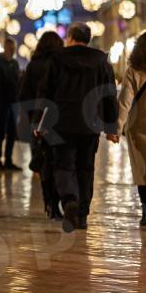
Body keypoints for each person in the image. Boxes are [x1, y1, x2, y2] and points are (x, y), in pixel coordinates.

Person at [39, 23, 118, 233]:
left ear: (71, 38)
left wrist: (40, 121)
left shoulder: (57, 59)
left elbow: (45, 92)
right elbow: (109, 94)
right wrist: (111, 126)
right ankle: (82, 215)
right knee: (86, 168)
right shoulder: (101, 61)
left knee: (63, 165)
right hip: (91, 123)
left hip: (62, 121)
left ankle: (70, 200)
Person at [113, 31, 146, 231]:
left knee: (143, 170)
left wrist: (116, 128)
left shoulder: (133, 71)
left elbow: (124, 102)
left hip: (140, 127)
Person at [19, 31, 64, 220]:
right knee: (58, 162)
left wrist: (32, 118)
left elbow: (24, 95)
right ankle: (57, 202)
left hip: (37, 121)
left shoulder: (33, 65)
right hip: (59, 120)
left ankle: (49, 203)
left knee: (43, 162)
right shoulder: (61, 64)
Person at [0, 37, 22, 170]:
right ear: (6, 48)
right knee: (1, 132)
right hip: (1, 104)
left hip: (13, 103)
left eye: (14, 48)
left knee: (12, 133)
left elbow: (17, 81)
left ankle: (8, 160)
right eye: (11, 48)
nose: (13, 51)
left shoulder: (14, 63)